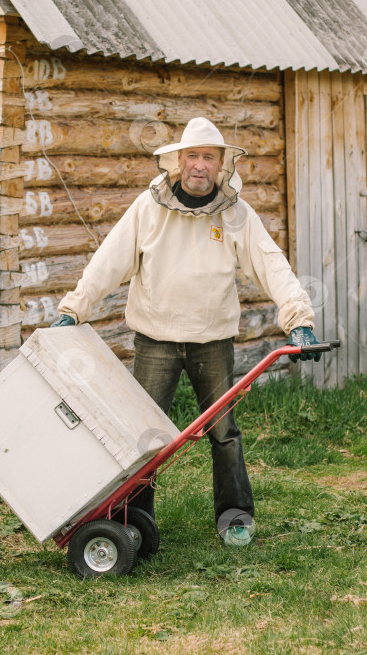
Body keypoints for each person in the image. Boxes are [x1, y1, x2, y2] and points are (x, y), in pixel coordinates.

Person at [51, 117, 321, 545]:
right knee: (141, 437)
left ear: (221, 165)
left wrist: (299, 321)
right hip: (155, 340)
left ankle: (235, 515)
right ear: (178, 161)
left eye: (208, 157)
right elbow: (109, 261)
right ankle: (132, 519)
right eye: (192, 156)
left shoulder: (235, 213)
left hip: (212, 342)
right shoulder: (149, 207)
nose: (200, 165)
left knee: (224, 433)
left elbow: (272, 265)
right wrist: (73, 310)